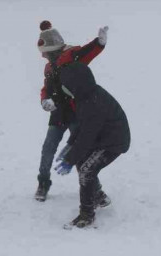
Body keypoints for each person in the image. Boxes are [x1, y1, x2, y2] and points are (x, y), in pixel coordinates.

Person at [35, 20, 108, 202]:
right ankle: (43, 183)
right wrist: (45, 100)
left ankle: (96, 190)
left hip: (77, 114)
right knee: (48, 149)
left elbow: (88, 51)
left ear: (53, 49)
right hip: (58, 115)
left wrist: (99, 42)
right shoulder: (49, 67)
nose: (43, 56)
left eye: (45, 52)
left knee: (80, 151)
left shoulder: (72, 56)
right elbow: (47, 87)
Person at [53, 60, 130, 229]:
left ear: (76, 84)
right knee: (83, 164)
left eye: (66, 85)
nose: (64, 89)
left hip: (113, 142)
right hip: (101, 137)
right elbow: (82, 126)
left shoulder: (93, 102)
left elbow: (88, 136)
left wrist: (70, 159)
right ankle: (98, 196)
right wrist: (70, 145)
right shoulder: (84, 96)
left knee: (87, 170)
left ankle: (86, 215)